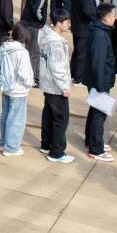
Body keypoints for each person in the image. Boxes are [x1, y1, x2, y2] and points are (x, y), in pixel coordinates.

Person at [38, 10, 74, 163]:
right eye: (67, 22)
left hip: (47, 83)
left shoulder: (45, 36)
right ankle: (57, 152)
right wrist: (65, 87)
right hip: (56, 86)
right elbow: (57, 68)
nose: (69, 25)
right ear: (58, 24)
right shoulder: (56, 43)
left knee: (48, 115)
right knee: (61, 119)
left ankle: (46, 144)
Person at [83, 3, 117, 162]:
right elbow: (98, 62)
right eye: (114, 15)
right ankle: (96, 149)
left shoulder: (99, 31)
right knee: (99, 115)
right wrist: (100, 86)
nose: (115, 18)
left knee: (94, 111)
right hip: (99, 81)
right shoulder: (100, 35)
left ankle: (90, 141)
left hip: (97, 80)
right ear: (106, 18)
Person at [0, 23, 34, 157]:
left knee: (6, 115)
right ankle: (11, 147)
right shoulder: (22, 52)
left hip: (6, 86)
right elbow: (24, 73)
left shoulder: (4, 47)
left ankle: (4, 143)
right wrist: (29, 83)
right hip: (18, 89)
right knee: (16, 119)